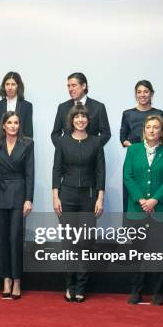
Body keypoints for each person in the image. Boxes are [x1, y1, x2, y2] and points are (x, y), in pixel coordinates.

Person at [52, 103, 105, 303]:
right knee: (69, 244)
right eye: (77, 117)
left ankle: (81, 287)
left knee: (85, 244)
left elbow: (101, 171)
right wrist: (55, 196)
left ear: (88, 120)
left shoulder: (96, 142)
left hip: (89, 198)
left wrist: (100, 197)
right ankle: (69, 286)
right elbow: (56, 169)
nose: (80, 120)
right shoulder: (63, 142)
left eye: (83, 117)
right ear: (71, 120)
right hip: (66, 196)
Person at [123, 115, 163, 305]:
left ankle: (157, 292)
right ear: (143, 130)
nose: (152, 130)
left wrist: (153, 200)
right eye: (148, 127)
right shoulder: (133, 150)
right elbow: (128, 177)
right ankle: (136, 291)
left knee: (158, 254)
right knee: (137, 254)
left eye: (156, 127)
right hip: (137, 209)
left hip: (161, 210)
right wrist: (141, 200)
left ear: (162, 131)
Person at [0, 112, 34, 299]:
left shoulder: (28, 144)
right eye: (9, 123)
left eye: (16, 122)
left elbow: (30, 173)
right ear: (3, 126)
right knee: (3, 239)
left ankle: (17, 280)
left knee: (15, 238)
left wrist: (29, 199)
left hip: (19, 195)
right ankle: (6, 278)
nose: (13, 126)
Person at [120, 80, 163, 211]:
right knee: (131, 196)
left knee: (154, 194)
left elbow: (162, 136)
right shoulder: (127, 113)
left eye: (146, 91)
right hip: (135, 159)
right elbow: (123, 137)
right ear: (135, 94)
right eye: (139, 92)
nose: (142, 95)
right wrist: (137, 149)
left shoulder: (159, 113)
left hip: (154, 160)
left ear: (151, 94)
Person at [51, 72, 110, 147]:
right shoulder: (62, 107)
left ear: (84, 86)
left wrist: (93, 148)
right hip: (67, 157)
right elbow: (55, 134)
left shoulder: (98, 107)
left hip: (92, 156)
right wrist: (63, 149)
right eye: (68, 86)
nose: (70, 89)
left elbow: (106, 134)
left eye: (74, 85)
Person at [0, 71, 33, 142]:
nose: (10, 87)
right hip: (0, 150)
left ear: (18, 86)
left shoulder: (27, 106)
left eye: (13, 84)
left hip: (20, 150)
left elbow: (29, 133)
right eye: (7, 84)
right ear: (4, 86)